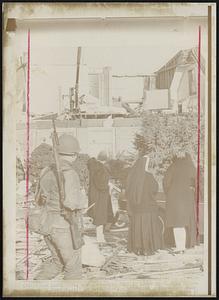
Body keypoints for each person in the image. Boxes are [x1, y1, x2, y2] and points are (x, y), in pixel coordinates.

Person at [34, 134, 85, 280]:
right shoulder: (70, 173)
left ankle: (34, 288)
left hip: (46, 224)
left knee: (57, 263)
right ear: (74, 154)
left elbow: (38, 199)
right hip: (63, 226)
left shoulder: (45, 170)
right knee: (73, 270)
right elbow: (71, 203)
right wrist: (83, 201)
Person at [126, 156, 163, 256]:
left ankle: (138, 248)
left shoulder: (132, 176)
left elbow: (128, 192)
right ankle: (147, 248)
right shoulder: (148, 176)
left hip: (136, 209)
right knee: (147, 229)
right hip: (148, 207)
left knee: (138, 229)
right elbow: (155, 189)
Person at [163, 152, 197, 254]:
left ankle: (180, 247)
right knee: (183, 224)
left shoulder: (173, 167)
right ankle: (183, 246)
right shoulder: (191, 167)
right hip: (188, 200)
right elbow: (195, 182)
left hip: (175, 200)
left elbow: (166, 182)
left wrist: (169, 193)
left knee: (177, 224)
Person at [87, 151, 114, 243]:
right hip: (100, 195)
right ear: (105, 160)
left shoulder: (94, 167)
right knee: (100, 215)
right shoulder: (100, 168)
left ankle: (100, 235)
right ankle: (100, 237)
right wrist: (108, 185)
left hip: (94, 194)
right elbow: (101, 184)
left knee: (98, 215)